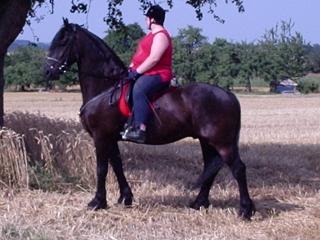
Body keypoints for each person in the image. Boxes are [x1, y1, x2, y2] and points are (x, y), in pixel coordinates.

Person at [122, 5, 173, 143]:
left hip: (159, 74)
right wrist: (130, 69)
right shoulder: (150, 36)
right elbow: (141, 56)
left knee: (139, 90)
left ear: (152, 19)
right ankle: (128, 124)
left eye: (147, 18)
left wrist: (137, 72)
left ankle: (141, 129)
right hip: (146, 72)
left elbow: (154, 58)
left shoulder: (161, 35)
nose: (145, 21)